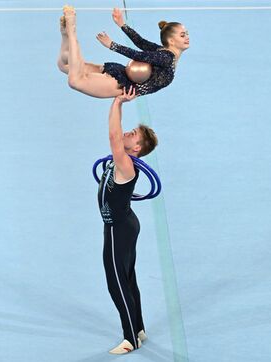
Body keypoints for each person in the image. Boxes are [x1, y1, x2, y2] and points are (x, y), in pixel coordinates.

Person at [97, 86, 158, 354]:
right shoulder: (120, 160)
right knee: (129, 278)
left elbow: (112, 134)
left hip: (117, 229)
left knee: (116, 282)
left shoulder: (125, 163)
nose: (127, 132)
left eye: (133, 134)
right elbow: (115, 138)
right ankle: (140, 328)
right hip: (126, 223)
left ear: (136, 148)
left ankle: (130, 337)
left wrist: (118, 102)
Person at [58, 6, 190, 98]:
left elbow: (141, 42)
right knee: (75, 81)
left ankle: (65, 35)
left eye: (186, 34)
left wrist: (122, 25)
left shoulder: (162, 52)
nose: (187, 38)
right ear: (171, 41)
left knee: (64, 66)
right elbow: (140, 53)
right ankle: (71, 29)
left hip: (120, 73)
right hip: (120, 85)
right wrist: (112, 44)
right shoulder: (167, 57)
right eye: (183, 35)